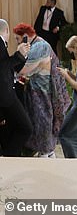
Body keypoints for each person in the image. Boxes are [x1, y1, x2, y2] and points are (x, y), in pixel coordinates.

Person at [13, 23, 70, 157]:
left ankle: (46, 153)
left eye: (17, 38)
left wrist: (17, 55)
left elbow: (23, 70)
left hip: (42, 93)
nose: (17, 42)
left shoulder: (40, 46)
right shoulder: (40, 44)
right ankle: (47, 153)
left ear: (25, 36)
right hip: (41, 91)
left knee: (43, 123)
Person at [0, 18, 32, 157]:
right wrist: (18, 54)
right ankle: (9, 157)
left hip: (5, 94)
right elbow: (3, 67)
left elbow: (9, 66)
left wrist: (22, 55)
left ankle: (9, 157)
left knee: (9, 129)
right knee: (26, 128)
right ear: (6, 30)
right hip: (5, 96)